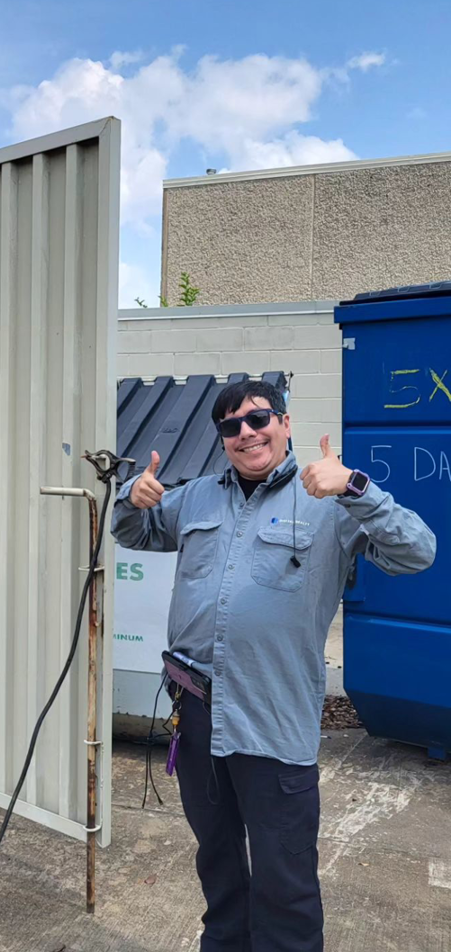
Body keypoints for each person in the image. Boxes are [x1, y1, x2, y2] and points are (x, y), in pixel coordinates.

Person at [111, 380, 436, 952]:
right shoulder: (196, 497)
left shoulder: (330, 502)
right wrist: (131, 499)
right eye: (231, 426)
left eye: (258, 419)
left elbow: (418, 551)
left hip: (272, 717)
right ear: (222, 441)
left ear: (285, 424)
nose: (246, 433)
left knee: (284, 879)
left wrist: (357, 486)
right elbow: (134, 531)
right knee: (216, 858)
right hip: (196, 715)